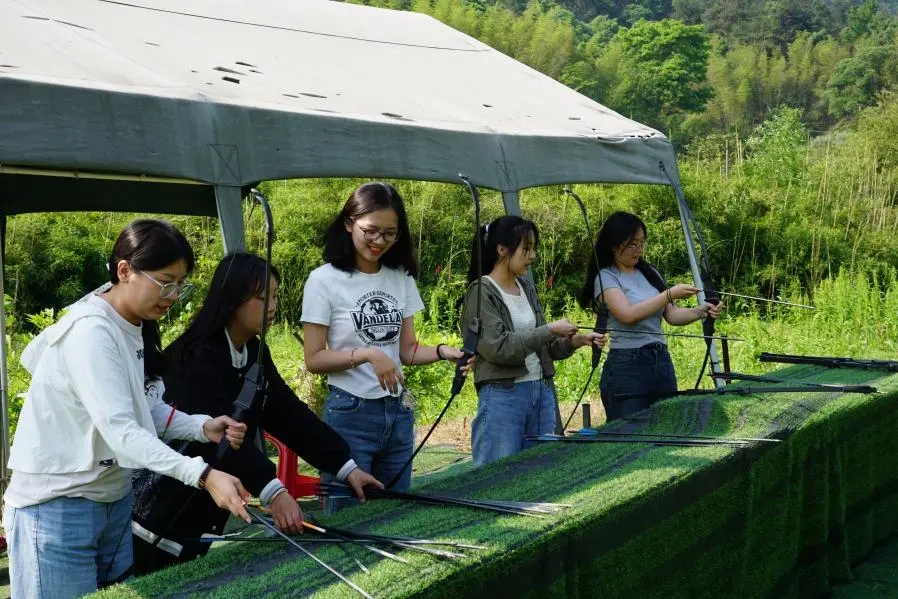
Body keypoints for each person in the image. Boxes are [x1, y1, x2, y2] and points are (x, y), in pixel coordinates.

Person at [2, 220, 251, 599]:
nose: (172, 294)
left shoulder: (131, 324)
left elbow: (140, 409)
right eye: (165, 281)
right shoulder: (91, 332)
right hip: (58, 507)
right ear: (124, 271)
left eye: (180, 284)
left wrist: (201, 427)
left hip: (112, 501)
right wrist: (203, 475)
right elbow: (121, 432)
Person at [130, 252, 383, 574]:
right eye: (263, 297)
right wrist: (274, 491)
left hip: (203, 510)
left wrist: (347, 468)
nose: (273, 306)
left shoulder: (254, 353)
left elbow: (290, 415)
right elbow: (223, 438)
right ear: (232, 297)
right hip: (155, 513)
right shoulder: (194, 355)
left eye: (275, 296)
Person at [301, 182, 470, 497]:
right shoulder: (323, 280)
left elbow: (407, 350)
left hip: (398, 412)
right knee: (348, 517)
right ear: (349, 223)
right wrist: (367, 354)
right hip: (350, 413)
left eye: (390, 234)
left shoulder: (399, 276)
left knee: (396, 513)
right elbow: (314, 359)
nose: (379, 241)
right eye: (371, 231)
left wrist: (445, 352)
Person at [460, 215, 605, 467]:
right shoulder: (481, 291)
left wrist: (576, 341)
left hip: (541, 392)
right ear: (501, 249)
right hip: (503, 397)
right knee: (496, 477)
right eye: (526, 248)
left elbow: (545, 347)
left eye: (533, 248)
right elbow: (499, 348)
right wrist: (549, 329)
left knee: (540, 473)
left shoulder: (525, 287)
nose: (533, 256)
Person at [578, 211, 724, 422]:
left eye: (642, 243)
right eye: (632, 244)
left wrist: (702, 311)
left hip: (661, 360)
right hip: (628, 364)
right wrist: (669, 294)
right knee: (629, 431)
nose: (639, 249)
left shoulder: (649, 272)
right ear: (614, 244)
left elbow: (672, 315)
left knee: (666, 424)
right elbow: (627, 314)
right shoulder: (606, 276)